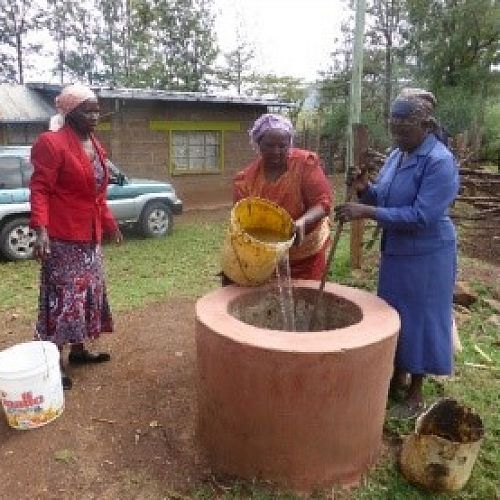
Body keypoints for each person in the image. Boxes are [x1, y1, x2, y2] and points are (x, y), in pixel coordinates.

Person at [336, 93, 459, 419]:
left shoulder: (439, 162)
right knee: (395, 314)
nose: (397, 137)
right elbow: (388, 197)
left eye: (404, 131)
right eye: (393, 131)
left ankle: (415, 394)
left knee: (421, 320)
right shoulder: (397, 155)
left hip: (428, 254)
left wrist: (366, 210)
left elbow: (421, 215)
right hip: (398, 251)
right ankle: (396, 377)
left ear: (426, 125)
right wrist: (366, 189)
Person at [30, 83, 123, 390]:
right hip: (62, 237)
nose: (95, 115)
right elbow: (40, 188)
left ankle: (80, 351)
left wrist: (109, 224)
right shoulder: (51, 143)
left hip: (89, 237)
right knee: (64, 300)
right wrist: (40, 228)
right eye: (88, 110)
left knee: (87, 295)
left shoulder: (95, 145)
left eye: (97, 109)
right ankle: (53, 361)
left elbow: (98, 194)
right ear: (69, 113)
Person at [232, 113, 333, 280]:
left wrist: (303, 221)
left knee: (308, 299)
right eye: (269, 146)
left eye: (282, 146)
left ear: (290, 144)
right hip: (268, 256)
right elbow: (241, 222)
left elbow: (323, 203)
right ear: (258, 144)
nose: (276, 152)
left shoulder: (304, 165)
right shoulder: (246, 181)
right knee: (271, 300)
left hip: (308, 252)